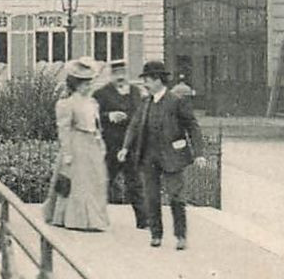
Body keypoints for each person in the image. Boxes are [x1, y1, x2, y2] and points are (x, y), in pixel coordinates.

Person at [119, 60, 204, 251]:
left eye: (147, 80)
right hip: (148, 156)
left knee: (176, 196)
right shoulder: (145, 102)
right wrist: (125, 147)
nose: (145, 84)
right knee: (151, 197)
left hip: (172, 157)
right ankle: (156, 234)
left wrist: (198, 153)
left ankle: (180, 236)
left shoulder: (176, 101)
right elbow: (134, 125)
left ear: (158, 80)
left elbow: (193, 126)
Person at [51, 57, 110, 231]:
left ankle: (95, 219)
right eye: (85, 84)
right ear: (77, 85)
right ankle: (77, 219)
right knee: (78, 183)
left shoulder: (92, 103)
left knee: (96, 181)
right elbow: (64, 129)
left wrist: (100, 142)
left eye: (90, 83)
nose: (89, 87)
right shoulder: (67, 104)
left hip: (92, 145)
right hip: (77, 145)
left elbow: (96, 125)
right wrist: (67, 152)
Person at [93, 59, 144, 229]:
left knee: (135, 183)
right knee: (104, 181)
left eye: (123, 73)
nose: (120, 77)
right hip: (111, 145)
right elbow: (93, 115)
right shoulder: (101, 93)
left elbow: (141, 115)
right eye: (116, 74)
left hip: (131, 147)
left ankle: (143, 221)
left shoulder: (136, 92)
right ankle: (96, 218)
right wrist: (109, 116)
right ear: (111, 75)